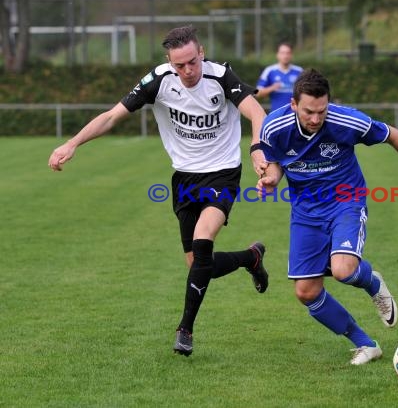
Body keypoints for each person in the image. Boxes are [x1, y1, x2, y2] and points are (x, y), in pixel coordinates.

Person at [48, 25, 270, 357]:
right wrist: (73, 142)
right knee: (197, 263)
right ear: (169, 61)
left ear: (202, 53)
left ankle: (185, 330)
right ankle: (249, 258)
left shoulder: (221, 76)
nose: (187, 71)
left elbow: (256, 112)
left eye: (192, 62)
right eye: (179, 65)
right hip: (184, 180)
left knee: (203, 239)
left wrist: (256, 148)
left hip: (223, 174)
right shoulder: (159, 80)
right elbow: (112, 117)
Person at [256, 68, 398, 365]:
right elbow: (278, 163)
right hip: (306, 211)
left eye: (322, 111)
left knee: (344, 269)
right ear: (293, 104)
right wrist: (271, 178)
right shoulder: (274, 127)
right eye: (308, 111)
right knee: (306, 292)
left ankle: (372, 283)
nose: (315, 119)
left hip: (347, 201)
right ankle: (366, 344)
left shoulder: (346, 120)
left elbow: (392, 135)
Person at [255, 42, 303, 113]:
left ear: (291, 55)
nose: (285, 56)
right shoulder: (270, 71)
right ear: (277, 55)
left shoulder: (299, 71)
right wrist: (272, 88)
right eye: (282, 53)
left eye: (288, 53)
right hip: (277, 114)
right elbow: (257, 93)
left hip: (296, 114)